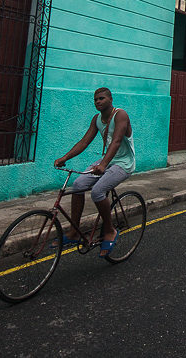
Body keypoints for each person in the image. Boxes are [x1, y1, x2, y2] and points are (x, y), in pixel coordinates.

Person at [54, 87, 135, 256]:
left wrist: (104, 164)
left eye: (102, 98)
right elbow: (84, 142)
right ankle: (74, 231)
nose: (98, 101)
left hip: (124, 163)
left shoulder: (121, 115)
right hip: (107, 161)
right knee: (78, 184)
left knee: (98, 191)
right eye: (95, 99)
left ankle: (109, 229)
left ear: (110, 99)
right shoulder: (97, 119)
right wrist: (65, 157)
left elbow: (117, 141)